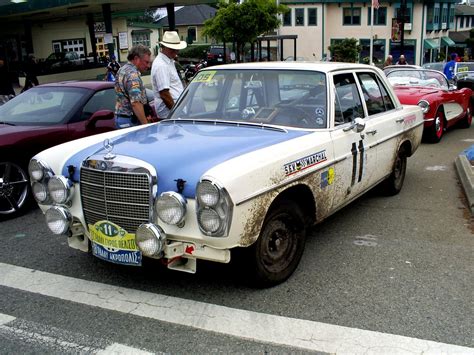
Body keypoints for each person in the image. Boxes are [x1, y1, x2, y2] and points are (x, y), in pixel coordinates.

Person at [114, 44, 153, 129]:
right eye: (146, 62)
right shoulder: (133, 75)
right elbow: (135, 103)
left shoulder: (122, 70)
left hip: (120, 118)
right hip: (130, 121)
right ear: (136, 59)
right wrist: (146, 125)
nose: (148, 66)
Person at [151, 31, 187, 119]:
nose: (177, 51)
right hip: (169, 114)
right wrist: (176, 112)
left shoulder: (168, 61)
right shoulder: (161, 65)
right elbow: (164, 94)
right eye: (173, 49)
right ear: (166, 47)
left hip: (172, 112)